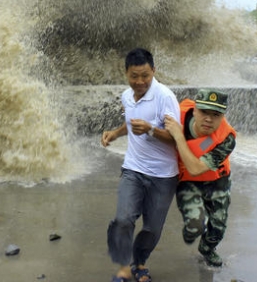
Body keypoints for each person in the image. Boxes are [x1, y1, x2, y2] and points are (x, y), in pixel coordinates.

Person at [101, 48, 180, 282]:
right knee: (123, 219)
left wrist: (151, 130)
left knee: (152, 229)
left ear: (154, 71)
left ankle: (140, 263)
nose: (140, 81)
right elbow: (130, 122)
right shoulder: (127, 96)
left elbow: (177, 137)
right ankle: (124, 268)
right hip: (133, 169)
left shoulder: (165, 97)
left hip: (163, 175)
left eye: (145, 75)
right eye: (134, 76)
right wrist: (115, 134)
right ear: (126, 73)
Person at [164, 89, 236, 267]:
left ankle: (207, 248)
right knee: (195, 226)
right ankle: (192, 231)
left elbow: (195, 168)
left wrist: (179, 136)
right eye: (204, 112)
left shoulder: (226, 138)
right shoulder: (177, 113)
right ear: (195, 110)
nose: (209, 119)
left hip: (217, 180)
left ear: (222, 117)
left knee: (218, 226)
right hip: (188, 182)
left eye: (216, 115)